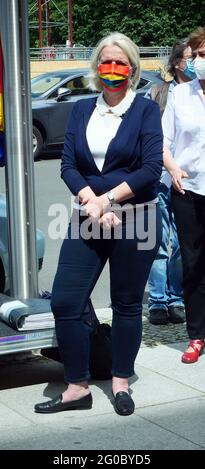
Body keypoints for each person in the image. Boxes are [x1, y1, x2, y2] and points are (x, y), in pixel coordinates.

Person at [35, 32, 163, 416]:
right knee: (66, 301)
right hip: (88, 217)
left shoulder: (144, 111)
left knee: (125, 305)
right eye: (106, 61)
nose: (112, 69)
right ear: (96, 68)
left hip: (136, 218)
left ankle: (121, 381)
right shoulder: (80, 110)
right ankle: (78, 386)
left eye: (120, 62)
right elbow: (68, 165)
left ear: (133, 68)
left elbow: (149, 169)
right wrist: (92, 203)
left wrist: (108, 200)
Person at [162, 27, 205, 363]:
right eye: (200, 55)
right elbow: (163, 141)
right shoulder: (180, 95)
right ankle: (197, 335)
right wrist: (173, 169)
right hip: (188, 190)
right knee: (192, 262)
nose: (203, 61)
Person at [147, 39, 194, 325]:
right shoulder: (158, 93)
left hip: (189, 182)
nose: (194, 61)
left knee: (181, 243)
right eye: (190, 57)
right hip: (161, 178)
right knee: (158, 243)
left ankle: (176, 297)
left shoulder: (199, 94)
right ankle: (157, 301)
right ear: (177, 63)